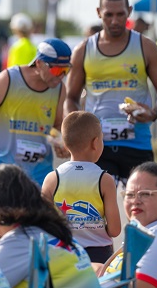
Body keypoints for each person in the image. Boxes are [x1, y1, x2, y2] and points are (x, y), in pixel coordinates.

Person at [66, 0, 157, 186]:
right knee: (98, 210)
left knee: (143, 206)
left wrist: (154, 113)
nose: (114, 21)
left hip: (137, 143)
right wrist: (76, 134)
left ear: (129, 11)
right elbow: (70, 98)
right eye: (108, 15)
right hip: (96, 146)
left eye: (120, 14)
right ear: (99, 13)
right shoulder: (83, 50)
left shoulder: (146, 47)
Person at [0, 38, 71, 188]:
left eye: (66, 70)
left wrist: (60, 143)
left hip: (39, 173)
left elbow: (55, 125)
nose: (61, 76)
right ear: (39, 63)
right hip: (1, 169)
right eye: (56, 70)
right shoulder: (8, 79)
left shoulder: (59, 89)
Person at [41, 111, 121, 268]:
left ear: (65, 144)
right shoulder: (104, 180)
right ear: (95, 143)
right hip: (99, 254)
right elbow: (115, 229)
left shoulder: (52, 179)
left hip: (63, 253)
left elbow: (43, 224)